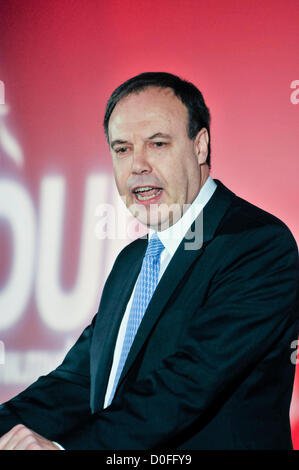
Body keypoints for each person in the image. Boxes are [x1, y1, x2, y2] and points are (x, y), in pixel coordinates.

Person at [0, 72, 298, 450]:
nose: (137, 165)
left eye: (157, 144)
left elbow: (186, 386)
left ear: (200, 145)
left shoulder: (257, 245)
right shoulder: (132, 259)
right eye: (122, 148)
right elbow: (77, 382)